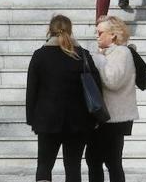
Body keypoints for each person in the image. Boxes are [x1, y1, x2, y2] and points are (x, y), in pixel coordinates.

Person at [25, 14, 101, 182]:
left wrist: (32, 119)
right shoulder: (83, 55)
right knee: (73, 167)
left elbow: (32, 90)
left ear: (49, 31)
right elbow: (96, 86)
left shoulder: (40, 55)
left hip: (47, 120)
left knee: (44, 165)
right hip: (79, 121)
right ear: (70, 30)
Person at [86, 15, 138, 182]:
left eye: (100, 33)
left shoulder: (122, 53)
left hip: (114, 119)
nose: (97, 36)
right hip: (104, 117)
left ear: (113, 35)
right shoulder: (108, 53)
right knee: (96, 160)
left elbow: (113, 80)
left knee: (111, 162)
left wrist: (99, 60)